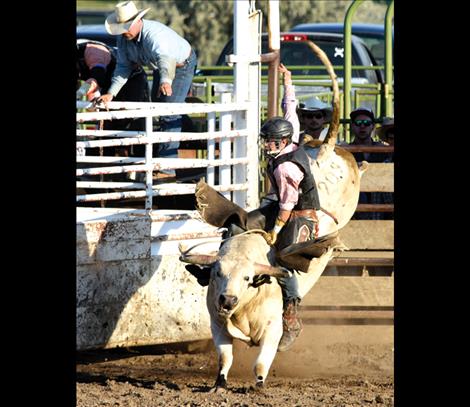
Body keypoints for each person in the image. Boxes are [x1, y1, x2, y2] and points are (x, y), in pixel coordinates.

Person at [97, 1, 198, 179]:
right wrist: (111, 94)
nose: (124, 31)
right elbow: (123, 67)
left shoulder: (154, 35)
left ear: (138, 21)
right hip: (162, 68)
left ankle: (167, 168)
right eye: (122, 27)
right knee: (160, 109)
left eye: (127, 26)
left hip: (181, 65)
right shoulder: (124, 39)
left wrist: (166, 81)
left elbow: (165, 57)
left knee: (169, 112)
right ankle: (173, 147)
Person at [76, 38, 150, 135]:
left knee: (133, 118)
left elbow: (97, 75)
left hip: (130, 79)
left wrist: (85, 89)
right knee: (107, 121)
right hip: (108, 82)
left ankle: (136, 148)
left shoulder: (92, 50)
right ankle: (107, 147)